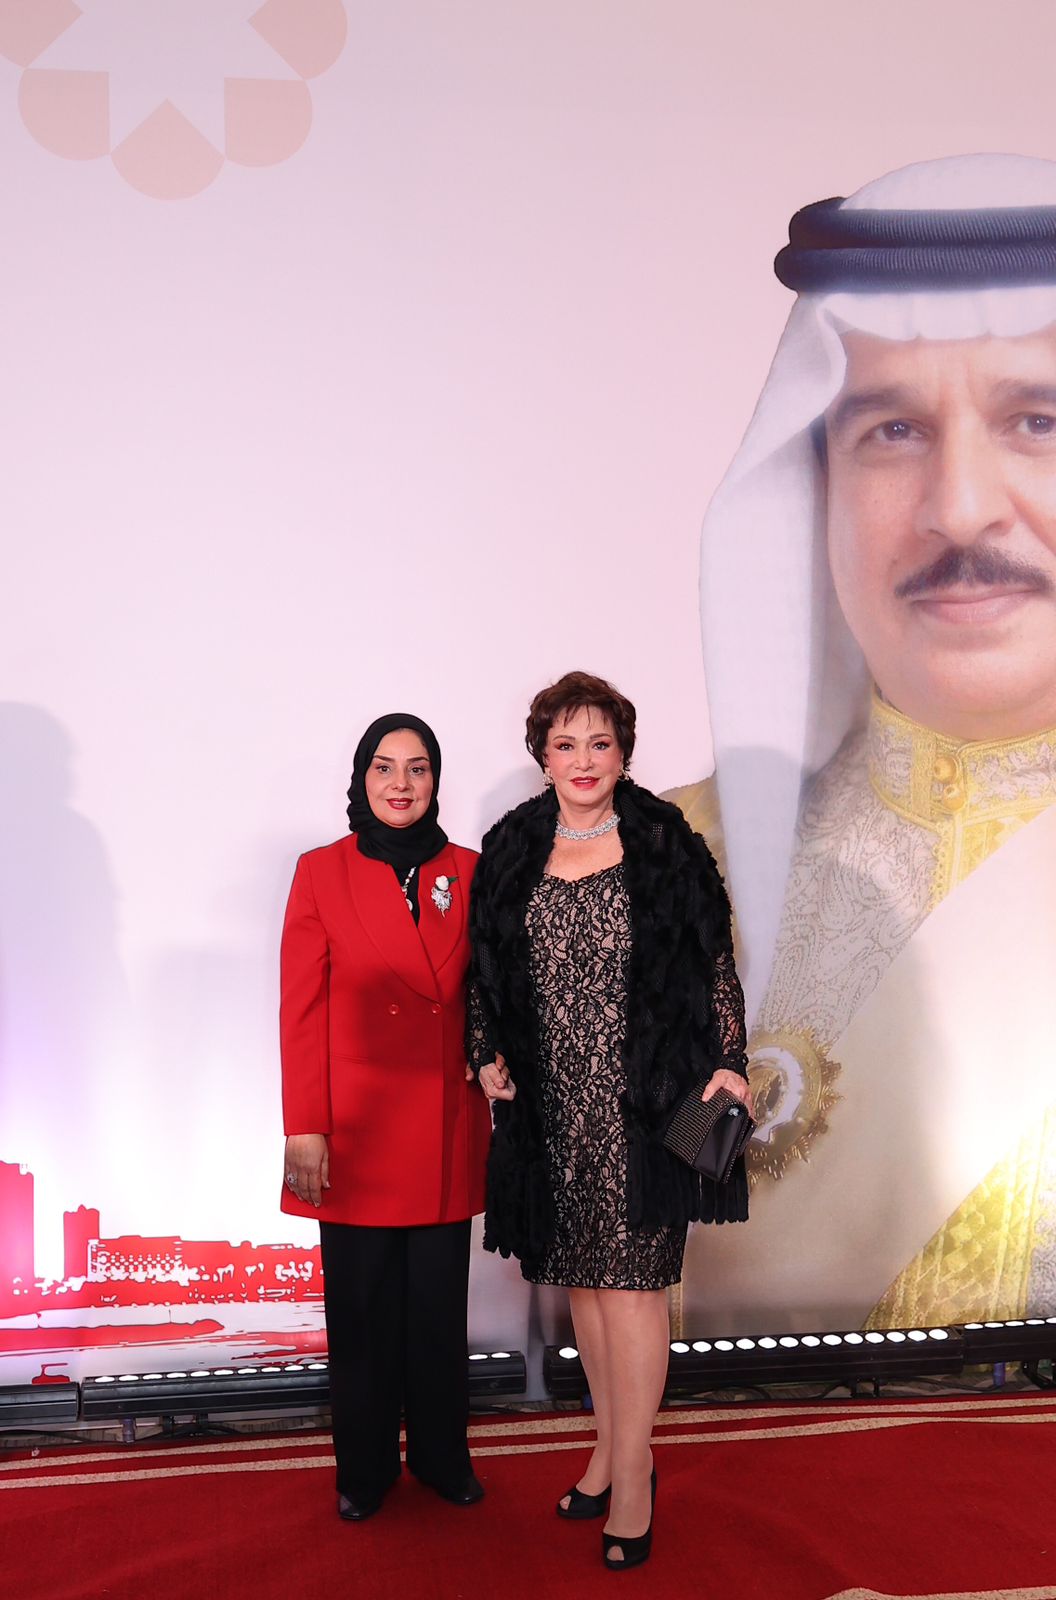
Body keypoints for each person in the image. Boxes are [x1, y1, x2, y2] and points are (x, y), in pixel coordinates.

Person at [667, 152, 1056, 1334]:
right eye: (892, 430)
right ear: (817, 488)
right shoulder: (666, 873)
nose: (961, 508)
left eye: (1039, 420)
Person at [469, 671, 751, 1571]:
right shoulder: (511, 846)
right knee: (585, 1292)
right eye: (566, 744)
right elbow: (484, 971)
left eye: (600, 743)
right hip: (552, 1111)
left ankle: (634, 1476)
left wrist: (732, 1059)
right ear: (542, 756)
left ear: (624, 752)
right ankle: (605, 1448)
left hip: (648, 1104)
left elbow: (712, 961)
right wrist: (484, 1052)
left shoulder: (666, 841)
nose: (584, 760)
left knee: (632, 1294)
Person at [280, 713, 491, 1521]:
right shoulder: (321, 872)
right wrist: (305, 1124)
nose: (401, 784)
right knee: (363, 1315)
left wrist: (492, 1055)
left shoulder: (469, 870)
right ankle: (364, 1471)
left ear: (436, 780)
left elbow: (489, 992)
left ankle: (441, 1458)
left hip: (442, 1118)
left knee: (438, 1312)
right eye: (384, 766)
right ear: (361, 778)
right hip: (357, 1128)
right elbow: (301, 1009)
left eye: (417, 767)